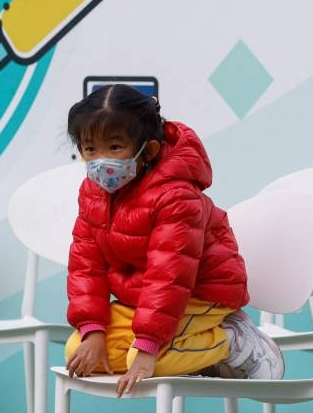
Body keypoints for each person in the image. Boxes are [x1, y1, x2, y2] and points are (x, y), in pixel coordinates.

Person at [62, 84, 284, 397]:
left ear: (148, 151)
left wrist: (148, 346)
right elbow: (86, 266)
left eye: (114, 148)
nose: (101, 162)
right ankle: (192, 351)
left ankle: (233, 341)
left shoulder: (175, 195)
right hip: (144, 300)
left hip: (202, 292)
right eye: (90, 150)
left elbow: (169, 274)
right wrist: (93, 330)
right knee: (79, 350)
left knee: (146, 362)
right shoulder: (92, 194)